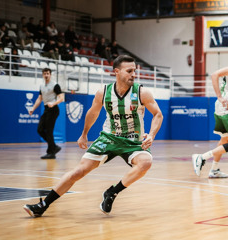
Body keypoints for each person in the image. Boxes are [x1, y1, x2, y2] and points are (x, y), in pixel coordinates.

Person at [23, 55, 163, 217]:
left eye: (134, 71)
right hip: (109, 137)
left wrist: (152, 135)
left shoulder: (142, 92)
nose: (133, 74)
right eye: (129, 71)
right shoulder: (103, 92)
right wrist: (84, 134)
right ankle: (43, 204)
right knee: (78, 172)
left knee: (146, 162)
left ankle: (112, 192)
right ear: (116, 72)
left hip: (133, 140)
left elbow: (158, 114)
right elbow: (93, 113)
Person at [192, 67, 228, 178]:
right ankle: (202, 157)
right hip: (225, 107)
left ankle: (214, 170)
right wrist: (219, 96)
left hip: (221, 107)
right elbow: (214, 75)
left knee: (224, 139)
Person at [28, 68, 64, 159]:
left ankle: (51, 152)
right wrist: (33, 108)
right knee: (40, 129)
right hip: (46, 109)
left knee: (49, 131)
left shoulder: (55, 85)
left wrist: (53, 103)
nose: (46, 75)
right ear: (42, 75)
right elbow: (39, 99)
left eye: (48, 73)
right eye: (44, 73)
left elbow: (61, 98)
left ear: (50, 74)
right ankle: (54, 147)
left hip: (53, 109)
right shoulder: (41, 86)